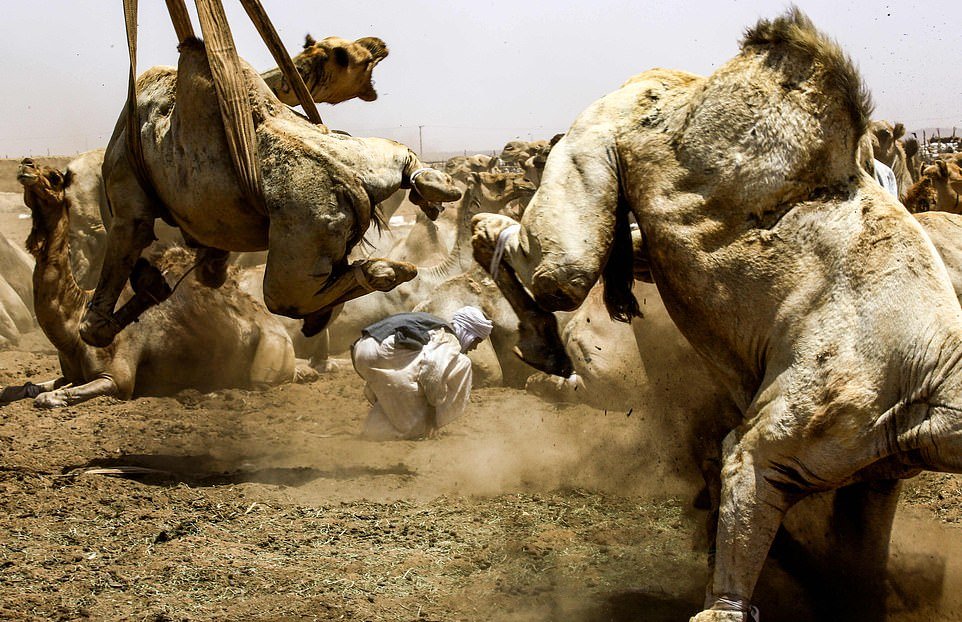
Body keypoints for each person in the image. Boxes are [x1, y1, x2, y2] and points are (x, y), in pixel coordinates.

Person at [351, 306, 493, 440]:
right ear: (469, 332)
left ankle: (374, 430)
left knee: (407, 392)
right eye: (476, 341)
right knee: (463, 363)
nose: (474, 348)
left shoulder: (435, 326)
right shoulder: (449, 337)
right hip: (383, 351)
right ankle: (386, 432)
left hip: (361, 349)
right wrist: (432, 415)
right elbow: (432, 373)